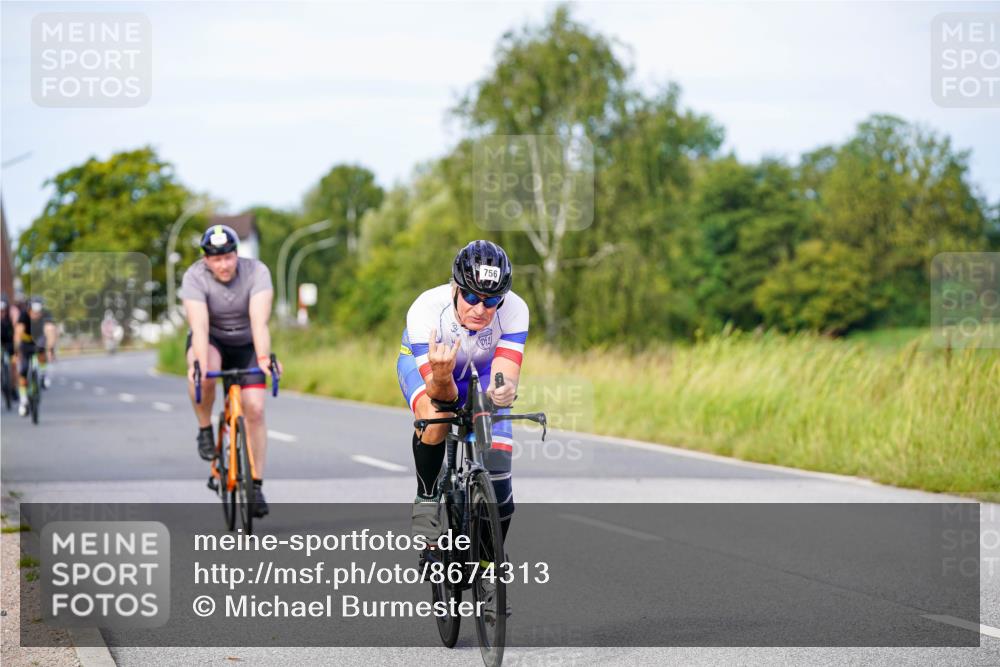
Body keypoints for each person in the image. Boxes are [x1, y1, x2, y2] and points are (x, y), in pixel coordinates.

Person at [397, 240, 528, 547]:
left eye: (491, 301)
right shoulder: (426, 310)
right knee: (437, 416)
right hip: (435, 367)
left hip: (483, 369)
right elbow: (439, 392)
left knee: (500, 483)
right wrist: (442, 376)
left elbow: (504, 373)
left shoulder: (516, 309)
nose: (480, 309)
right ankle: (427, 497)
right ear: (455, 287)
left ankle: (487, 560)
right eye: (471, 296)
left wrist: (501, 391)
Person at [181, 224, 281, 518]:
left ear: (237, 254)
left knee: (255, 410)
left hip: (247, 343)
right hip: (212, 341)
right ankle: (204, 429)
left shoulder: (257, 272)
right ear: (205, 259)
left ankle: (256, 485)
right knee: (203, 372)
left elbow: (259, 322)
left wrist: (263, 358)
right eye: (216, 259)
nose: (223, 265)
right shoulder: (194, 277)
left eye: (228, 257)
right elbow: (199, 327)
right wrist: (200, 365)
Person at [14, 297, 55, 415]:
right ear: (29, 309)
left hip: (39, 340)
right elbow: (18, 333)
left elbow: (50, 330)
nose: (36, 314)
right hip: (26, 343)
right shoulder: (24, 315)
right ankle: (23, 401)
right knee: (23, 370)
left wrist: (50, 349)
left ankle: (42, 375)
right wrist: (17, 351)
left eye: (38, 311)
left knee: (44, 346)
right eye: (34, 311)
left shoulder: (46, 314)